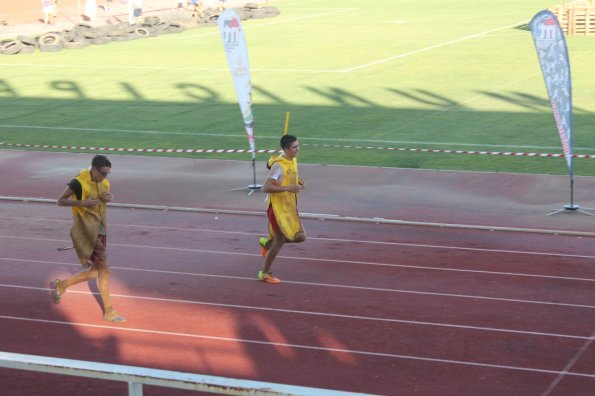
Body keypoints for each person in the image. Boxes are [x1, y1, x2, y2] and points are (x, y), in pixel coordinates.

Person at [51, 155, 126, 323]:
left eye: (108, 173)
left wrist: (110, 197)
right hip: (85, 230)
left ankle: (62, 285)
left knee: (95, 271)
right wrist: (82, 203)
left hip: (100, 229)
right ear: (94, 169)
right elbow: (60, 201)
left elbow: (103, 200)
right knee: (105, 270)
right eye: (103, 173)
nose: (105, 177)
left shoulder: (105, 183)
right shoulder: (78, 183)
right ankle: (109, 311)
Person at [258, 135, 306, 284]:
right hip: (277, 209)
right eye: (294, 147)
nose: (298, 149)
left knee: (300, 237)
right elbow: (265, 187)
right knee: (279, 241)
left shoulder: (292, 160)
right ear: (286, 149)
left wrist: (297, 181)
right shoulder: (278, 165)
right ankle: (265, 273)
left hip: (289, 207)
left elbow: (288, 176)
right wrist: (288, 187)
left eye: (298, 146)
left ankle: (267, 243)